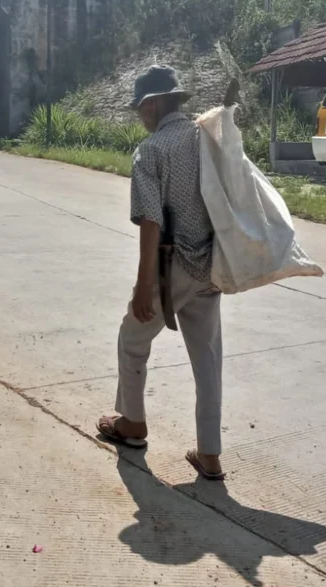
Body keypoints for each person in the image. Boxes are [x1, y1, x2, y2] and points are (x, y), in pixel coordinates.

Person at [96, 65, 226, 481]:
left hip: (173, 269)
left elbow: (151, 221)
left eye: (140, 110)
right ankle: (210, 455)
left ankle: (132, 425)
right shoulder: (208, 139)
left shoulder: (151, 151)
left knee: (132, 337)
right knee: (207, 359)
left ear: (152, 104)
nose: (140, 116)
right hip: (211, 265)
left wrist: (142, 287)